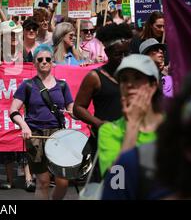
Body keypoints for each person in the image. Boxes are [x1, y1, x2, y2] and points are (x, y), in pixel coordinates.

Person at [10, 44, 73, 200]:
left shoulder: (63, 85)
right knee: (43, 182)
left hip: (58, 136)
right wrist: (24, 125)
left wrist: (77, 114)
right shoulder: (28, 85)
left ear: (52, 62)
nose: (44, 62)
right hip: (36, 136)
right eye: (40, 59)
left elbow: (73, 110)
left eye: (47, 59)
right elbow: (13, 110)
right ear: (34, 63)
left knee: (63, 181)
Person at [73, 23, 133, 180]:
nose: (123, 58)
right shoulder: (95, 77)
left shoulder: (133, 76)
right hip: (106, 142)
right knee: (112, 185)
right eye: (118, 54)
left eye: (127, 53)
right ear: (107, 52)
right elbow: (78, 108)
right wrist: (98, 123)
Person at [97, 54, 164, 178]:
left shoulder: (171, 126)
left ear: (153, 86)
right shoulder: (109, 131)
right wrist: (132, 125)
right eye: (124, 79)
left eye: (137, 78)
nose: (129, 84)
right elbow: (116, 184)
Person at [156, 71, 191, 199]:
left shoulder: (168, 77)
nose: (160, 53)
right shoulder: (167, 79)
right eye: (153, 51)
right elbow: (167, 105)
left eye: (160, 49)